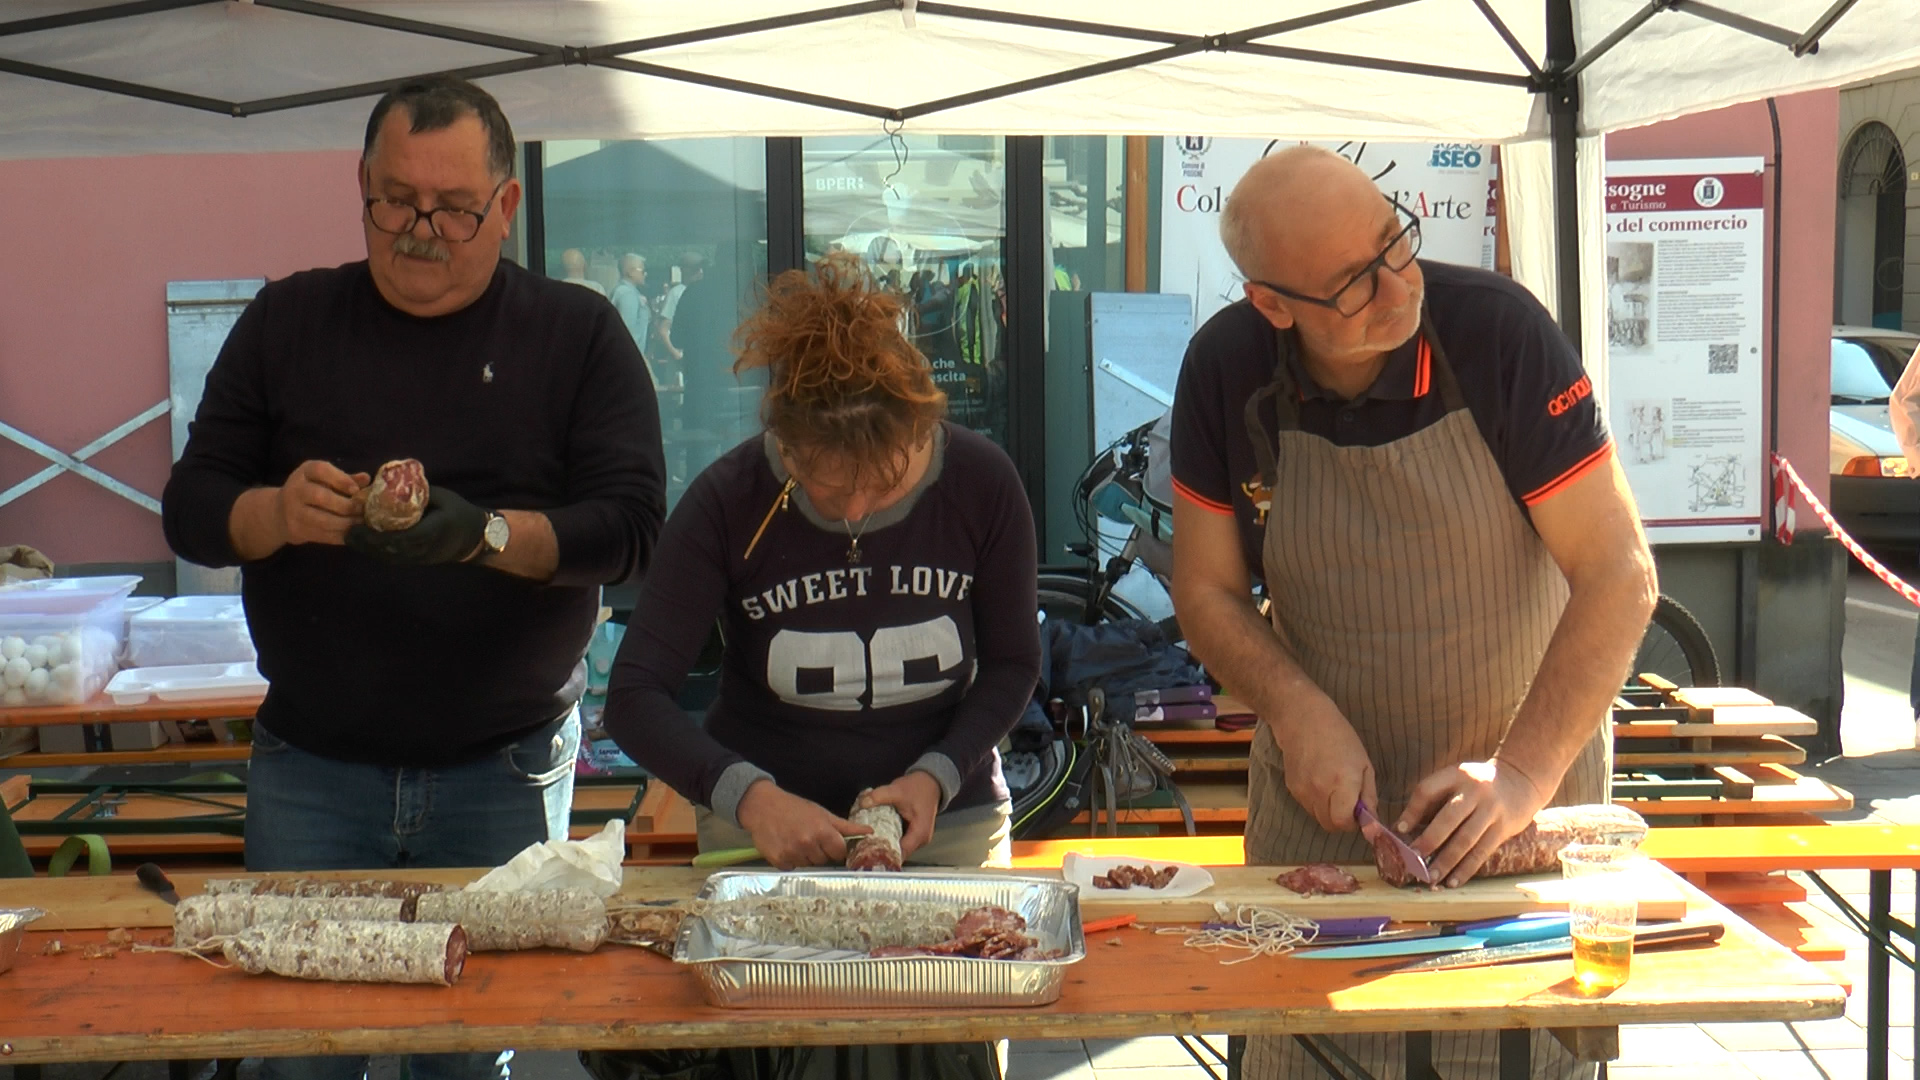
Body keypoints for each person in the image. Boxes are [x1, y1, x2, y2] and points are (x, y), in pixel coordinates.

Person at [162, 74, 665, 1080]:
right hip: (313, 767)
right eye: (395, 201)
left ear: (507, 205)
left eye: (452, 208)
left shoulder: (577, 334)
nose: (419, 230)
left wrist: (486, 536)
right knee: (298, 1056)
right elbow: (191, 507)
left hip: (505, 769)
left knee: (470, 1057)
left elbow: (630, 533)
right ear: (361, 186)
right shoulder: (288, 319)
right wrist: (275, 514)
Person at [1169, 146, 1656, 1080]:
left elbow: (1619, 573)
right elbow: (1206, 590)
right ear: (1272, 304)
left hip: (1509, 823)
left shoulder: (1499, 335)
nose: (1398, 287)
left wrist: (1521, 775)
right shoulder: (1227, 370)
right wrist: (1293, 707)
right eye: (1353, 282)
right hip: (1323, 822)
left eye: (1396, 242)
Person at [601, 250, 1038, 871]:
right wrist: (749, 797)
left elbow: (1014, 663)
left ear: (917, 429)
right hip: (763, 832)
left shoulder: (982, 483)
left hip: (947, 820)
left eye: (882, 482)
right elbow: (634, 696)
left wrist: (938, 774)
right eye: (825, 488)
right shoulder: (728, 500)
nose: (854, 510)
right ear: (783, 442)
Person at [609, 252, 660, 383]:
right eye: (642, 270)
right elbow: (628, 332)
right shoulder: (626, 294)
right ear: (630, 272)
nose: (645, 274)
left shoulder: (627, 292)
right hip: (630, 361)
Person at [655, 251, 704, 366]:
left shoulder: (705, 291)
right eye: (695, 268)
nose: (700, 272)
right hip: (682, 359)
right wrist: (676, 354)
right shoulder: (676, 293)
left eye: (701, 268)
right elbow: (663, 330)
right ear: (684, 270)